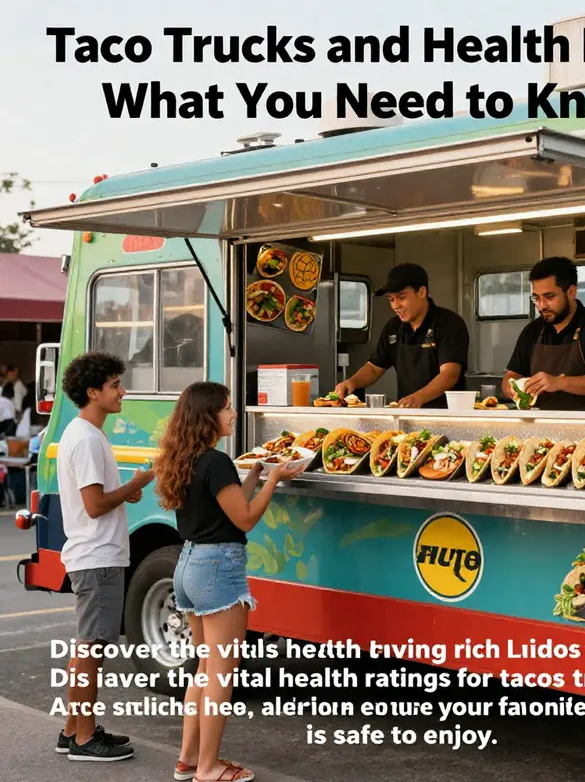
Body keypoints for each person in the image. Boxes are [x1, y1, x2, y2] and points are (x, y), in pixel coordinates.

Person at [154, 381, 303, 782]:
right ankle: (208, 767)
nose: (234, 413)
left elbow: (229, 504)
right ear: (207, 416)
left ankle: (188, 760)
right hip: (219, 569)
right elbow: (245, 518)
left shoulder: (186, 458)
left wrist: (255, 472)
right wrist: (275, 479)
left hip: (189, 564)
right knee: (221, 674)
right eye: (227, 408)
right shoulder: (216, 461)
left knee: (205, 669)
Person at [55, 351, 155, 761]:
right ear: (93, 392)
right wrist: (139, 482)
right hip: (97, 557)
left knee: (87, 646)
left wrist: (124, 493)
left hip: (94, 554)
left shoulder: (85, 434)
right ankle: (84, 739)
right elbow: (95, 505)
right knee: (90, 649)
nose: (122, 392)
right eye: (115, 385)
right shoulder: (86, 439)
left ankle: (72, 730)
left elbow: (95, 500)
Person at [335, 263, 470, 409]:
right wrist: (352, 382)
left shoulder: (449, 323)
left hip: (446, 414)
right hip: (406, 413)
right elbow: (374, 367)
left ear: (421, 292)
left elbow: (450, 374)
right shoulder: (393, 327)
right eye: (391, 299)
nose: (395, 306)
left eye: (401, 297)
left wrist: (419, 397)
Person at [502, 256, 585, 411]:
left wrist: (560, 382)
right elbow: (511, 375)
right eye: (536, 298)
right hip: (540, 423)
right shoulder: (532, 331)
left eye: (549, 297)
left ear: (571, 292)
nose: (541, 305)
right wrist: (513, 387)